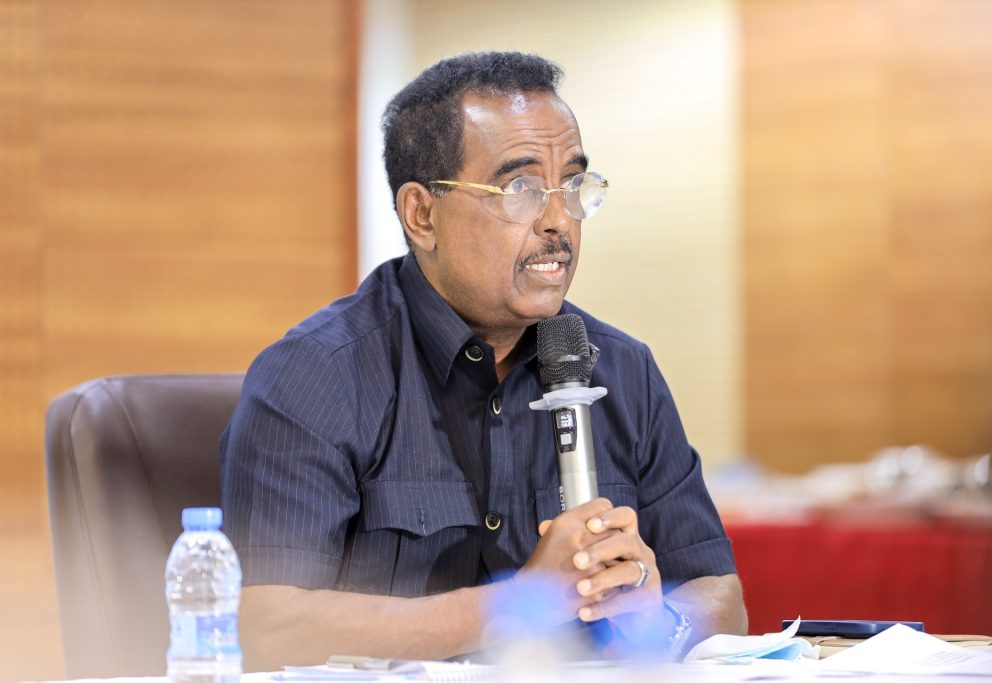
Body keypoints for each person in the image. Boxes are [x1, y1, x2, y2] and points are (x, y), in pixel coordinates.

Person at [220, 51, 746, 670]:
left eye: (573, 186)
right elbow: (269, 625)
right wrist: (523, 603)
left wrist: (661, 617)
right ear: (422, 215)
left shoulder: (622, 370)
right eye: (521, 189)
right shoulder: (318, 373)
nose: (560, 222)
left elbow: (721, 598)